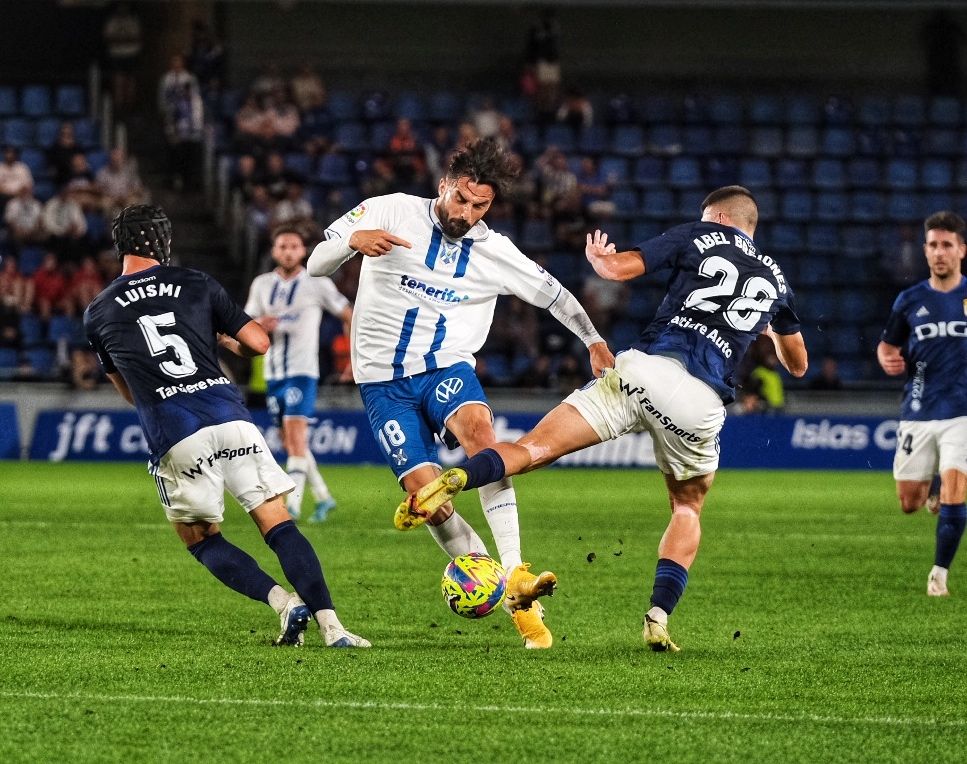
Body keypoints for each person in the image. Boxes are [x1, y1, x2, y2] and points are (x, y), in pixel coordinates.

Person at [398, 185, 808, 653]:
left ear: (715, 216)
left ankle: (458, 476)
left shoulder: (700, 234)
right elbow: (797, 365)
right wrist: (771, 325)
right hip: (699, 402)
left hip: (641, 372)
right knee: (687, 507)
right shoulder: (776, 281)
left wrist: (600, 260)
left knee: (531, 449)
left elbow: (621, 268)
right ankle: (657, 616)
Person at [307, 138, 613, 649]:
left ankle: (517, 579)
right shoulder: (391, 211)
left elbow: (556, 295)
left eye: (480, 206)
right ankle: (486, 574)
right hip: (382, 383)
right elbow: (317, 263)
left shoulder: (493, 251)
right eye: (461, 200)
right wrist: (352, 241)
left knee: (480, 436)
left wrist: (594, 341)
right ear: (444, 185)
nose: (467, 213)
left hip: (444, 368)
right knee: (428, 499)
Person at [83, 204, 368, 648]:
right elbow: (257, 343)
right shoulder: (195, 282)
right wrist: (216, 336)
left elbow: (127, 392)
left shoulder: (98, 311)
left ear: (121, 247)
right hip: (230, 417)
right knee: (278, 524)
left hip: (175, 432)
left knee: (200, 539)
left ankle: (283, 602)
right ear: (162, 242)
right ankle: (334, 628)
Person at [876, 210, 967, 597]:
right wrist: (887, 358)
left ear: (961, 249)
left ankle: (939, 575)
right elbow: (888, 345)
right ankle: (930, 487)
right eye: (932, 245)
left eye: (947, 244)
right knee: (909, 503)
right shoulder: (910, 300)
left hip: (962, 412)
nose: (939, 252)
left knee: (956, 484)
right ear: (925, 251)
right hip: (919, 409)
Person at [244, 224, 352, 522]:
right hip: (273, 373)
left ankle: (291, 506)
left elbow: (348, 315)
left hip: (303, 372)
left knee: (294, 437)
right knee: (293, 443)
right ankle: (324, 498)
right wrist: (259, 324)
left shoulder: (317, 283)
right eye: (283, 246)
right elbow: (246, 322)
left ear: (303, 251)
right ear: (274, 251)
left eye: (294, 246)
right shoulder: (262, 284)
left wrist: (352, 360)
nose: (288, 251)